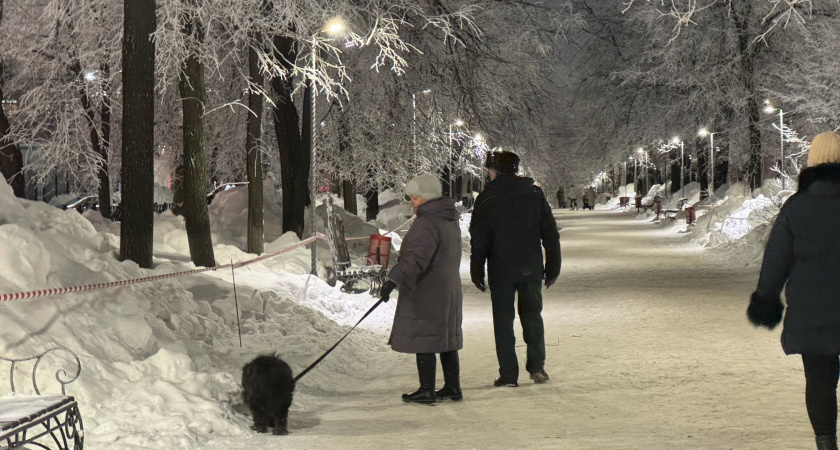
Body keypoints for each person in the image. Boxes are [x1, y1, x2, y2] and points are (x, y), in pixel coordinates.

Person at [747, 131, 840, 450]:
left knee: (819, 383)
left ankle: (827, 445)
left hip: (812, 315)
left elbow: (776, 260)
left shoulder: (796, 208)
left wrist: (766, 299)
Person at [469, 151, 561, 387]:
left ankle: (509, 374)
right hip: (531, 267)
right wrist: (553, 265)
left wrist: (477, 269)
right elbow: (549, 233)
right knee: (532, 317)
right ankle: (538, 367)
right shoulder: (534, 193)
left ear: (495, 171)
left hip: (501, 270)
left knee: (503, 321)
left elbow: (479, 239)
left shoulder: (486, 197)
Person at [379, 173, 464, 404]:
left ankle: (427, 389)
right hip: (447, 286)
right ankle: (452, 386)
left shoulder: (427, 223)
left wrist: (392, 280)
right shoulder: (447, 218)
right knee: (444, 337)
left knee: (425, 336)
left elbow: (415, 259)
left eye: (415, 198)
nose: (412, 202)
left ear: (426, 197)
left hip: (428, 288)